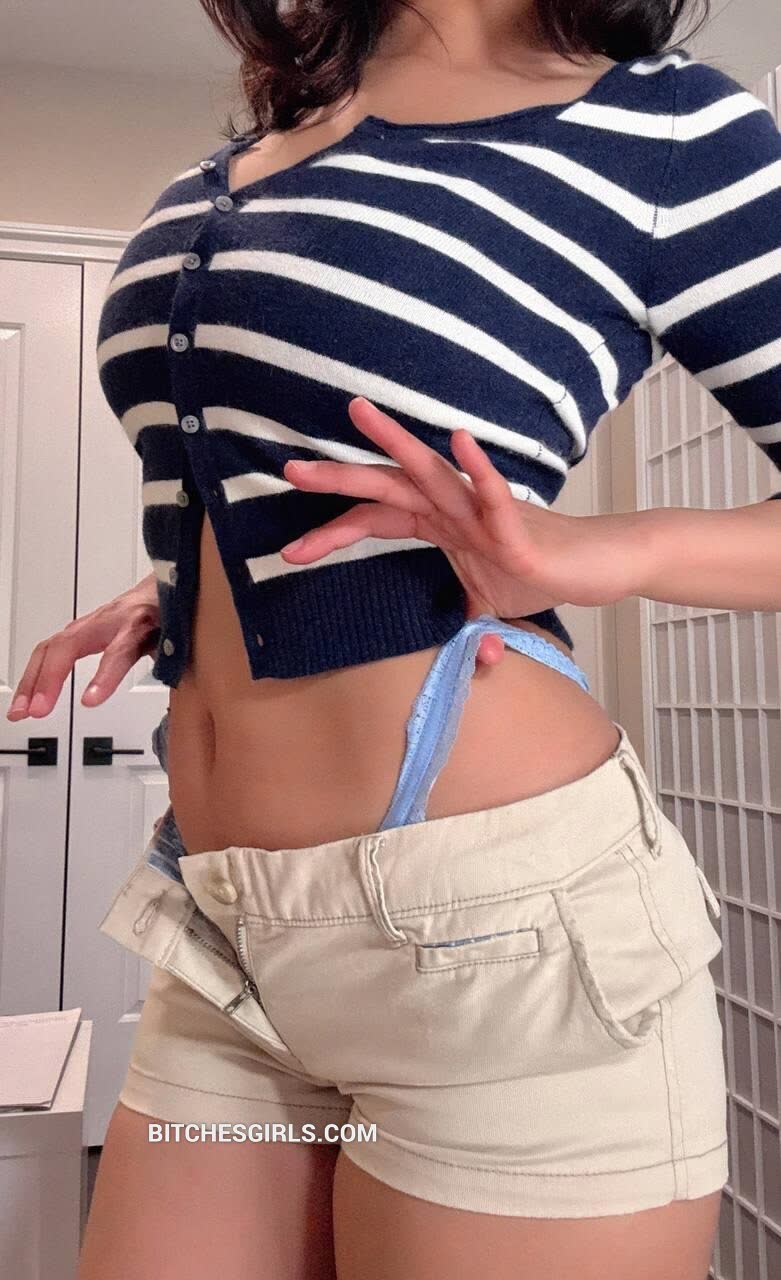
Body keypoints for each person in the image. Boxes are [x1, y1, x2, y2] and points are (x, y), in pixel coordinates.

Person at [9, 0, 781, 1275]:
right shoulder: (274, 133)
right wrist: (184, 584)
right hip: (228, 930)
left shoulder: (666, 129)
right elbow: (272, 450)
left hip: (504, 948)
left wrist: (600, 548)